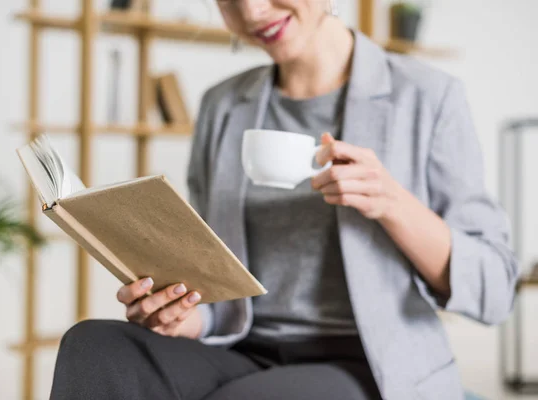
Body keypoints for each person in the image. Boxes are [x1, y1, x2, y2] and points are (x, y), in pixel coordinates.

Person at [49, 1, 519, 399]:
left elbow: (496, 289)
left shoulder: (429, 98)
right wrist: (182, 316)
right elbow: (217, 287)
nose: (251, 11)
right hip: (241, 353)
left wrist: (393, 203)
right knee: (92, 346)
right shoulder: (221, 106)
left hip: (369, 367)